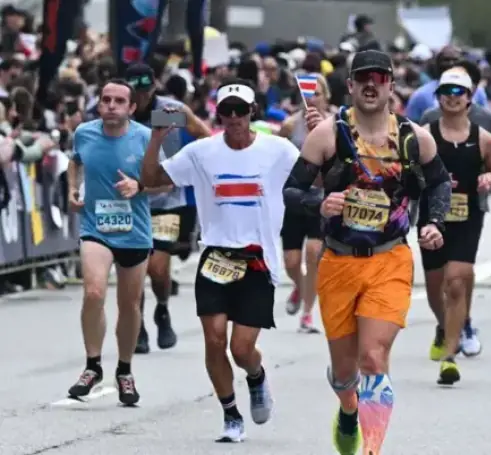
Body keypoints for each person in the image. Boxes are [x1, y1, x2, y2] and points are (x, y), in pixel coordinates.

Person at [282, 49, 450, 455]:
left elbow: (439, 184)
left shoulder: (413, 137)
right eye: (363, 79)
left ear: (391, 85)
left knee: (373, 358)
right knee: (345, 373)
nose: (371, 85)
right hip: (338, 262)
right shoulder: (328, 135)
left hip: (390, 259)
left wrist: (433, 223)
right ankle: (347, 410)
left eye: (380, 77)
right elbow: (291, 191)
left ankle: (372, 450)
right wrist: (320, 202)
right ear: (351, 86)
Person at [140, 78, 298, 442]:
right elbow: (150, 179)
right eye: (225, 111)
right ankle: (231, 414)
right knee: (214, 340)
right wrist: (156, 140)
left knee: (241, 349)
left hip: (258, 259)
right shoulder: (202, 152)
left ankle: (256, 376)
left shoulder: (278, 150)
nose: (233, 117)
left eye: (240, 110)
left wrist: (319, 130)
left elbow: (318, 172)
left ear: (251, 112)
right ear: (219, 114)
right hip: (216, 255)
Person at [65, 79, 160, 406]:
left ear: (132, 107)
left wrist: (140, 187)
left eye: (119, 101)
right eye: (105, 99)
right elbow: (75, 161)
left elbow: (165, 181)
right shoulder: (84, 133)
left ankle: (124, 369)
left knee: (129, 304)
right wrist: (72, 189)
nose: (111, 105)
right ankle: (93, 366)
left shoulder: (145, 137)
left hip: (134, 230)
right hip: (96, 226)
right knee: (93, 291)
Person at [418, 60, 491, 359]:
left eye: (459, 91)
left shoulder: (485, 139)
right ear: (438, 96)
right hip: (431, 216)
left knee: (457, 280)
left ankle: (449, 353)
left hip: (467, 215)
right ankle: (448, 327)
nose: (452, 96)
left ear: (470, 97)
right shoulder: (424, 134)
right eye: (446, 90)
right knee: (435, 288)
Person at [122, 63, 212, 354]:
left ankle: (162, 309)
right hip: (128, 202)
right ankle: (138, 326)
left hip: (166, 199)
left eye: (146, 91)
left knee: (158, 268)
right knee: (135, 268)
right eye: (136, 91)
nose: (142, 97)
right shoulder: (118, 111)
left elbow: (205, 135)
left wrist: (190, 164)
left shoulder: (169, 111)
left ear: (153, 88)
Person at [278, 73, 337, 332]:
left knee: (314, 253)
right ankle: (300, 288)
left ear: (327, 96)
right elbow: (278, 158)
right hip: (296, 196)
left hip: (322, 198)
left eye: (318, 93)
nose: (312, 99)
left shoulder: (338, 124)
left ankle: (308, 312)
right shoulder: (291, 125)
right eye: (308, 93)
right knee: (291, 261)